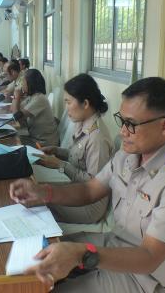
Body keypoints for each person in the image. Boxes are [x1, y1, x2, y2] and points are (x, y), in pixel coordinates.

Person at [9, 77, 165, 293]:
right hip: (115, 245)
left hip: (145, 279)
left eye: (132, 124)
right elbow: (89, 190)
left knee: (51, 288)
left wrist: (80, 253)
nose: (122, 132)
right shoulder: (128, 154)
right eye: (122, 121)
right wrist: (44, 192)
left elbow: (149, 257)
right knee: (38, 258)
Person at [34, 74, 114, 224]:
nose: (66, 108)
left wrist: (60, 165)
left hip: (90, 206)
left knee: (39, 200)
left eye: (68, 102)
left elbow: (93, 183)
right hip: (77, 190)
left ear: (85, 103)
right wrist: (57, 151)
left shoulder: (97, 138)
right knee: (38, 191)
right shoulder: (83, 123)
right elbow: (76, 155)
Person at [11, 68, 59, 146]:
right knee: (13, 138)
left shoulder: (39, 99)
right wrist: (17, 98)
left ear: (30, 83)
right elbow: (13, 111)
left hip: (45, 143)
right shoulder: (32, 97)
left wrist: (17, 96)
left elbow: (16, 117)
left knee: (13, 142)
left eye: (23, 81)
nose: (21, 84)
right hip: (36, 138)